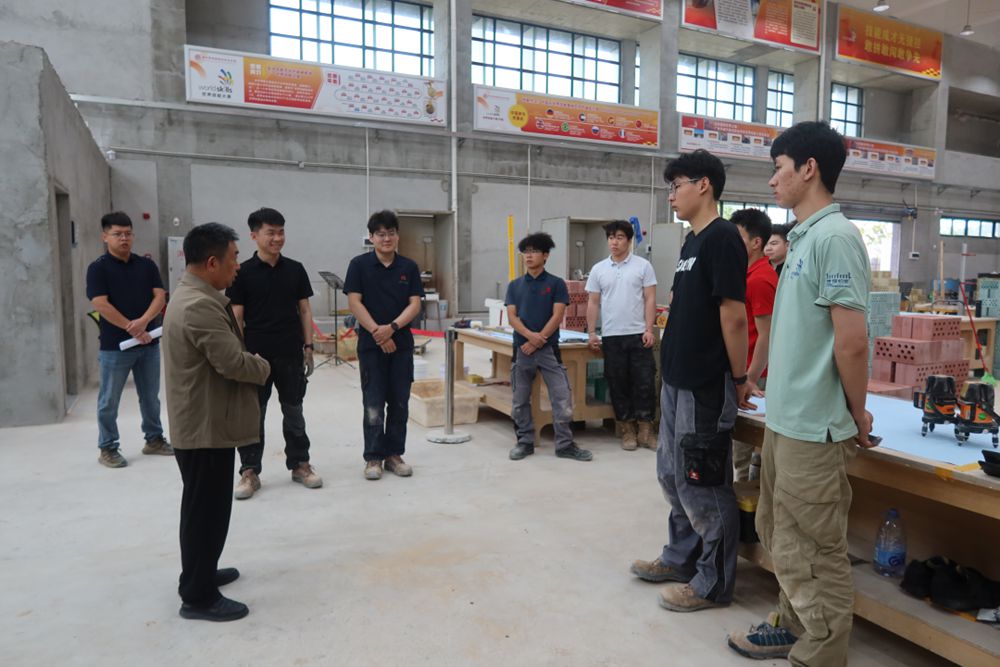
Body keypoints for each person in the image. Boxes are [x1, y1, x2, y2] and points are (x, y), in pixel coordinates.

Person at [727, 122, 876, 665]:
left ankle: (824, 651)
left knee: (815, 546)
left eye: (779, 169)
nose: (772, 181)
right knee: (781, 533)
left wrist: (857, 411)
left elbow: (851, 342)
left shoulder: (835, 239)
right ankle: (793, 625)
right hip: (786, 420)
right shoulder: (803, 239)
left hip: (814, 425)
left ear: (808, 169)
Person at [630, 149, 752, 613]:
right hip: (676, 378)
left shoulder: (722, 238)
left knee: (703, 482)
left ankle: (713, 583)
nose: (671, 196)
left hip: (704, 382)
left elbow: (733, 316)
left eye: (676, 186)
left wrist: (738, 377)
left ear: (704, 185)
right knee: (671, 474)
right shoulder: (691, 242)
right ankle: (681, 559)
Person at [163, 223, 270, 622]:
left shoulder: (195, 296)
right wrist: (263, 366)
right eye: (233, 259)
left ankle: (201, 573)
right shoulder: (199, 306)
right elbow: (232, 363)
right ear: (212, 263)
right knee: (205, 513)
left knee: (203, 508)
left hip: (205, 422)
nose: (237, 267)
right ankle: (198, 596)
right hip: (204, 427)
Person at [227, 207, 321, 500]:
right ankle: (249, 471)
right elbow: (236, 316)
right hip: (256, 358)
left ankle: (300, 464)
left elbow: (304, 310)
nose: (277, 238)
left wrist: (308, 347)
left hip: (290, 354)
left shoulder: (295, 269)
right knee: (253, 415)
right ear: (254, 235)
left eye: (281, 232)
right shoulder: (242, 272)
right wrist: (241, 355)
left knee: (294, 411)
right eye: (271, 233)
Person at [86, 211, 171, 468]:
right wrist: (131, 327)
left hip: (148, 344)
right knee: (109, 400)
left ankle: (154, 439)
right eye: (117, 234)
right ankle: (108, 447)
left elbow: (160, 296)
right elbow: (100, 303)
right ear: (105, 237)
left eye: (128, 233)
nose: (124, 238)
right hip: (115, 347)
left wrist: (143, 322)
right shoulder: (98, 268)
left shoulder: (146, 265)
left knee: (151, 396)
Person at [344, 210, 424, 480]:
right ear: (371, 237)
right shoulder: (359, 265)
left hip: (401, 345)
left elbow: (415, 304)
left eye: (391, 233)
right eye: (380, 234)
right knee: (374, 403)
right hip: (371, 346)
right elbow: (354, 302)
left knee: (399, 403)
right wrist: (378, 333)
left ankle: (394, 454)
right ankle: (374, 457)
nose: (386, 238)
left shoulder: (409, 267)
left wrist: (392, 329)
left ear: (397, 236)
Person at [505, 232, 592, 462]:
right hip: (522, 349)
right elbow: (512, 317)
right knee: (519, 400)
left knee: (562, 397)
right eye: (525, 252)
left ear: (545, 255)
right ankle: (524, 442)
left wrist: (539, 339)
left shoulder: (556, 284)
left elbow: (558, 315)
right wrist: (529, 337)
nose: (528, 256)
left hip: (548, 350)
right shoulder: (514, 286)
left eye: (534, 251)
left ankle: (565, 444)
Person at [585, 220, 658, 451]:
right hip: (612, 336)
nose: (614, 242)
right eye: (610, 237)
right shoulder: (599, 269)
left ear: (629, 240)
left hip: (638, 334)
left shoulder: (643, 266)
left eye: (619, 237)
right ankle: (627, 430)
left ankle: (646, 430)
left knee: (644, 383)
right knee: (618, 384)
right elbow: (593, 303)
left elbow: (650, 299)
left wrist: (649, 329)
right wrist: (591, 332)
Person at [730, 209, 777, 481]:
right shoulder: (747, 273)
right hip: (745, 370)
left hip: (755, 374)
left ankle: (746, 492)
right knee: (743, 443)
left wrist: (750, 378)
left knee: (745, 445)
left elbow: (766, 335)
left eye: (738, 238)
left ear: (756, 242)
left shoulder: (760, 279)